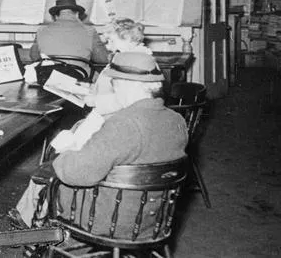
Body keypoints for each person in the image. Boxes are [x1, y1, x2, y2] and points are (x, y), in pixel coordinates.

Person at [12, 52, 188, 236]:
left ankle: (37, 230)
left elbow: (75, 174)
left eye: (113, 85)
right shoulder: (177, 120)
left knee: (51, 174)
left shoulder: (123, 124)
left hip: (110, 220)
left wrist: (66, 153)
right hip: (153, 220)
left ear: (125, 85)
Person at [29, 0, 109, 76]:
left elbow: (34, 57)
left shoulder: (41, 30)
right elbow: (102, 59)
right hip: (79, 79)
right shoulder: (90, 30)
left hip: (48, 78)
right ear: (77, 14)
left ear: (56, 16)